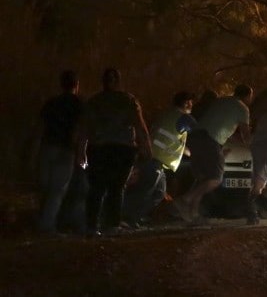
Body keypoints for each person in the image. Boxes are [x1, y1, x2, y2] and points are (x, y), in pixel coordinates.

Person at [76, 67, 150, 236]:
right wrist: (146, 148)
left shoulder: (94, 101)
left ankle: (92, 225)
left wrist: (82, 150)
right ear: (119, 81)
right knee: (116, 187)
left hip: (100, 148)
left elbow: (84, 130)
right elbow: (140, 126)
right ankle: (111, 225)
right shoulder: (128, 100)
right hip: (122, 148)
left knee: (98, 187)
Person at [177, 84, 252, 225]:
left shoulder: (221, 101)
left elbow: (223, 128)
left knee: (203, 178)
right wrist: (252, 146)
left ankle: (193, 215)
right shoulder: (243, 108)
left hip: (196, 137)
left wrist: (237, 142)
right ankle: (185, 199)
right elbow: (245, 134)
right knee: (216, 178)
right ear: (248, 96)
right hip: (209, 140)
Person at [122, 91, 195, 226]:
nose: (192, 105)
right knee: (145, 190)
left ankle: (135, 216)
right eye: (191, 102)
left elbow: (172, 141)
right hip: (155, 159)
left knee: (159, 193)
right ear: (186, 103)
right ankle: (127, 217)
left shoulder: (167, 114)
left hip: (153, 158)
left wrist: (191, 153)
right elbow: (199, 132)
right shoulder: (183, 118)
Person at [33, 69, 85, 234]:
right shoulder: (79, 104)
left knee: (46, 187)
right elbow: (81, 129)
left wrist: (34, 149)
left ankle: (43, 220)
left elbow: (40, 128)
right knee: (57, 189)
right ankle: (47, 225)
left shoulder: (51, 103)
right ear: (76, 85)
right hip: (65, 149)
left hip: (47, 148)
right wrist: (81, 151)